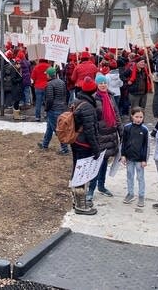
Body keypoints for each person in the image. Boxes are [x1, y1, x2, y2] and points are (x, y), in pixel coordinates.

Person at [86, 73, 123, 203]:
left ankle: (101, 186)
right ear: (96, 84)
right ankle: (91, 189)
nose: (102, 85)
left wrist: (121, 131)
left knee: (105, 162)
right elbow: (91, 119)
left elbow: (116, 114)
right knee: (97, 163)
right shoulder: (93, 98)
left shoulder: (111, 96)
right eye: (100, 83)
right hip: (100, 135)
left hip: (111, 134)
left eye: (104, 83)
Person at [70, 76, 100, 215]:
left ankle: (76, 200)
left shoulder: (77, 101)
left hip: (75, 141)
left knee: (77, 170)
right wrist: (95, 148)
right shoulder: (87, 106)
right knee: (81, 173)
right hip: (84, 143)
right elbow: (90, 130)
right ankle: (81, 205)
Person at [120, 107, 149, 207]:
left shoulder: (145, 130)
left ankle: (141, 196)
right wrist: (123, 155)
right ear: (132, 116)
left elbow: (146, 146)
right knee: (129, 176)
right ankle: (130, 193)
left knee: (140, 177)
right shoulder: (127, 127)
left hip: (140, 159)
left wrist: (144, 159)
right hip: (129, 158)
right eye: (136, 116)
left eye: (141, 117)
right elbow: (123, 142)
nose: (138, 119)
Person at [38, 67, 69, 154]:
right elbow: (66, 95)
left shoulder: (50, 85)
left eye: (46, 74)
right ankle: (45, 144)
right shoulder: (62, 82)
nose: (46, 75)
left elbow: (50, 99)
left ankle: (64, 148)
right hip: (61, 108)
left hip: (53, 109)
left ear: (49, 75)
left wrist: (46, 109)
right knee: (49, 127)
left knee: (57, 129)